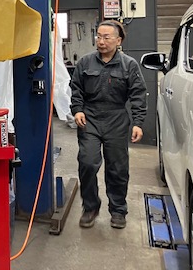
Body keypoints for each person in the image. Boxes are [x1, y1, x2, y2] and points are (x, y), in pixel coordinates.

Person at [70, 20, 147, 229]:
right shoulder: (85, 62)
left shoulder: (129, 65)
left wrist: (138, 122)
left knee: (117, 168)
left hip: (116, 120)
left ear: (118, 40)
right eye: (98, 37)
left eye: (106, 37)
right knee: (87, 162)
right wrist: (77, 109)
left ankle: (118, 210)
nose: (101, 41)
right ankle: (90, 207)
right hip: (90, 119)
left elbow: (138, 94)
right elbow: (76, 89)